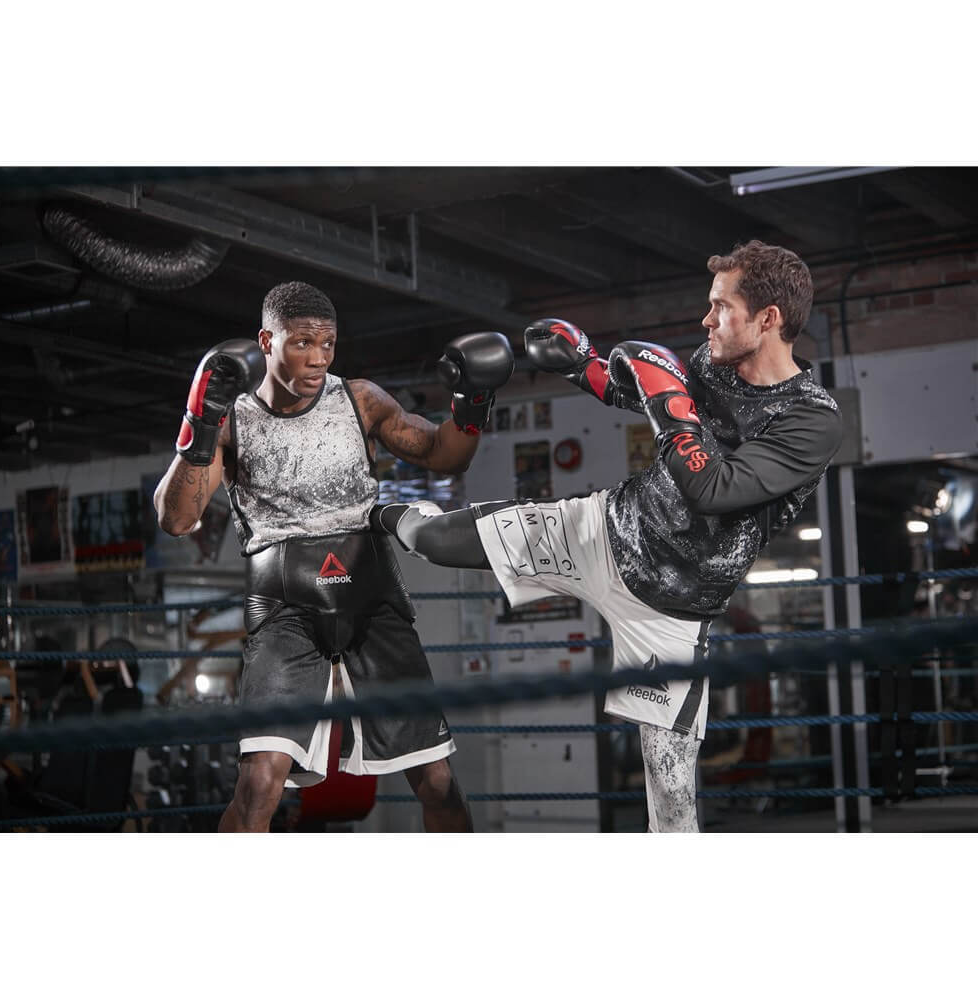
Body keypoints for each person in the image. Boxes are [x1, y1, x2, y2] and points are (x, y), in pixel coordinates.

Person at [370, 240, 843, 832]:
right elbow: (639, 393)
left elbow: (713, 489)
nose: (706, 320)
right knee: (435, 541)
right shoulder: (710, 363)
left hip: (671, 610)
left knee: (671, 807)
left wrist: (670, 401)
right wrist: (582, 363)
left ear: (768, 319)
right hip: (603, 528)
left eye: (721, 307)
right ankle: (371, 510)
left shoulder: (810, 418)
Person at [153, 281, 514, 833]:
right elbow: (177, 519)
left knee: (437, 780)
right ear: (266, 341)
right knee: (258, 783)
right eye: (302, 343)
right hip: (283, 611)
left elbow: (444, 454)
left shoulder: (359, 399)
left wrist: (474, 403)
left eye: (328, 343)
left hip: (373, 598)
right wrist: (200, 424)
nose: (318, 358)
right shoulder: (233, 419)